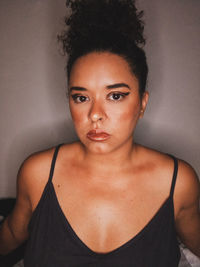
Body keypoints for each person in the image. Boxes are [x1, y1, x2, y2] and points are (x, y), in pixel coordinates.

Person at [0, 0, 200, 266]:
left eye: (115, 95)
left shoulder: (178, 182)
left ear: (142, 103)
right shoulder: (37, 173)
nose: (95, 114)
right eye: (81, 97)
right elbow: (12, 234)